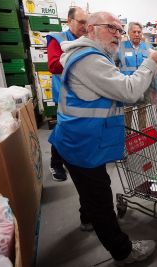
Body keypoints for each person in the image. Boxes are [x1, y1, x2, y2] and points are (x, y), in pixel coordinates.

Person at [48, 12, 157, 265]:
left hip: (76, 140)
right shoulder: (89, 59)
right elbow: (128, 90)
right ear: (90, 29)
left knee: (88, 192)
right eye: (111, 27)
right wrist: (151, 63)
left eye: (119, 29)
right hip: (84, 146)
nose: (118, 34)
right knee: (100, 199)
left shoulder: (88, 55)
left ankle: (87, 218)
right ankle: (123, 251)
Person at [46, 7, 88, 182]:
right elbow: (54, 65)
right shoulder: (58, 39)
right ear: (69, 21)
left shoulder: (88, 39)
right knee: (63, 129)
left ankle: (76, 159)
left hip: (84, 93)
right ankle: (56, 164)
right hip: (65, 94)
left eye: (87, 22)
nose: (85, 26)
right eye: (81, 22)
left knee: (80, 128)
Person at [117, 21, 151, 130]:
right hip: (127, 86)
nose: (137, 34)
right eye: (134, 32)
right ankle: (128, 135)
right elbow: (112, 64)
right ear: (129, 33)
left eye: (139, 32)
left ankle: (143, 134)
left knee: (142, 111)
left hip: (143, 86)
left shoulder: (147, 47)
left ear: (142, 33)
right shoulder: (121, 47)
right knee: (127, 112)